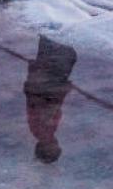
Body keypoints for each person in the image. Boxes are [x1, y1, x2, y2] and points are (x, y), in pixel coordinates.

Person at [23, 35, 77, 163]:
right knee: (62, 51)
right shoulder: (43, 130)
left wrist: (62, 89)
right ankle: (53, 28)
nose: (57, 144)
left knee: (60, 51)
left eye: (54, 148)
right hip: (48, 80)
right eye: (57, 148)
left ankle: (54, 27)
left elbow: (46, 104)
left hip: (48, 80)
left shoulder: (42, 130)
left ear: (45, 147)